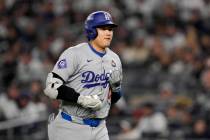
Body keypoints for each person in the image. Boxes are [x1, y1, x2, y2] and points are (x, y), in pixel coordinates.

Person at [44, 11, 123, 140]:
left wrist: (116, 88)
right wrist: (81, 99)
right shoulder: (75, 54)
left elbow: (113, 99)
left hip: (100, 127)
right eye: (103, 28)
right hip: (71, 126)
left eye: (110, 29)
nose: (108, 33)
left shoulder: (114, 59)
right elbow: (51, 87)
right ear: (92, 31)